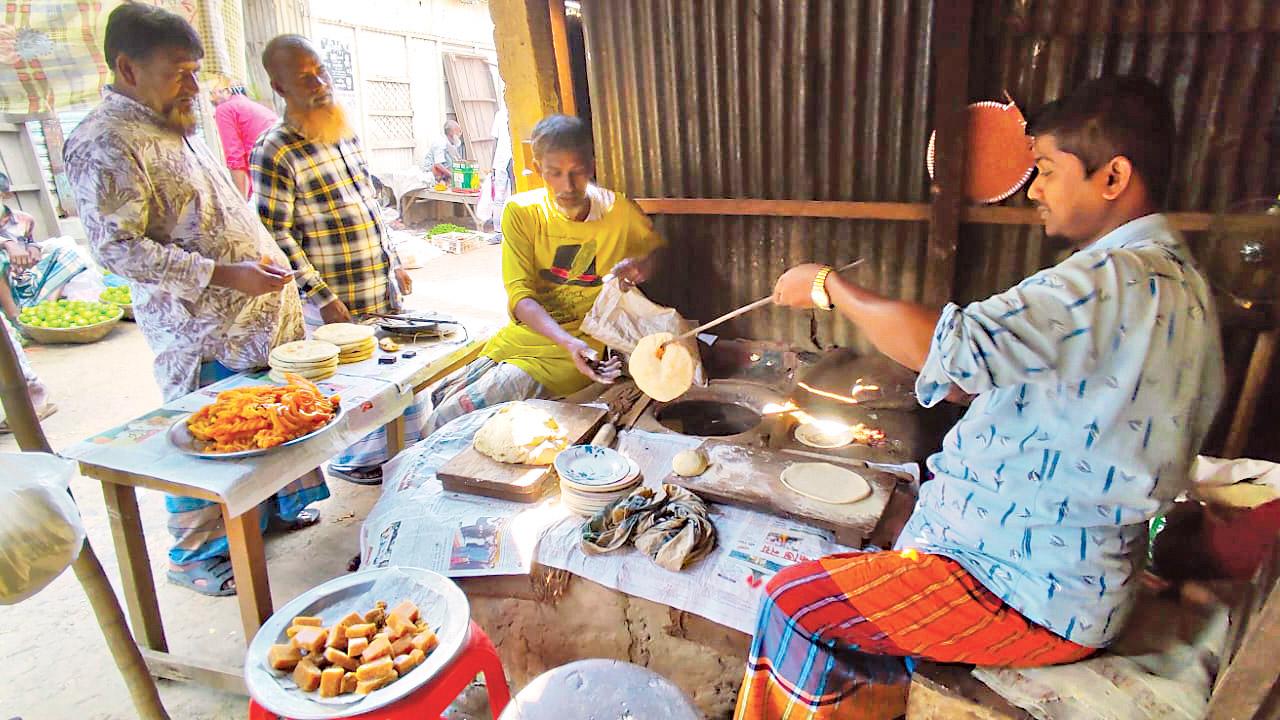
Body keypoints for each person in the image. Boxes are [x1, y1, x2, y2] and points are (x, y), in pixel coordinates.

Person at [736, 76, 1225, 720]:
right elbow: (1008, 381)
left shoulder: (1104, 280)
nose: (1036, 190)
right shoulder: (1180, 286)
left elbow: (954, 349)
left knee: (795, 603)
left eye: (1048, 169)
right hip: (1063, 569)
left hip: (1021, 587)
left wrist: (829, 287)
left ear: (1113, 177)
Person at [64, 4, 327, 597]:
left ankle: (270, 517)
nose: (193, 85)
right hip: (204, 331)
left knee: (273, 425)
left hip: (257, 322)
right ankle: (198, 553)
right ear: (127, 68)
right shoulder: (105, 141)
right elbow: (118, 250)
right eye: (179, 72)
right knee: (213, 437)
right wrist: (224, 274)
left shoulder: (175, 121)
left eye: (195, 70)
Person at [422, 114, 662, 435]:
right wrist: (565, 340)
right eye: (555, 173)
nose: (568, 185)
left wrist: (640, 267)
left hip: (573, 355)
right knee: (439, 397)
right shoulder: (522, 212)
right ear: (537, 169)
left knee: (446, 420)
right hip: (525, 340)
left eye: (577, 172)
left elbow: (651, 253)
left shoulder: (618, 210)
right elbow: (521, 297)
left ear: (592, 165)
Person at [252, 34, 414, 485]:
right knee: (347, 385)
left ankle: (390, 456)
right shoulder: (274, 149)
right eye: (305, 77)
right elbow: (274, 234)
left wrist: (395, 261)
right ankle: (355, 462)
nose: (321, 82)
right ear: (280, 87)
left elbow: (370, 204)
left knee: (389, 373)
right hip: (333, 299)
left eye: (321, 70)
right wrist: (318, 295)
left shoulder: (341, 130)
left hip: (379, 285)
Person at [0, 173, 90, 322]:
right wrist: (8, 244)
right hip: (4, 287)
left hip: (25, 278)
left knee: (69, 252)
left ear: (6, 195)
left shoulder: (24, 219)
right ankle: (15, 317)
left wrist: (34, 248)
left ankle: (48, 306)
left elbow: (30, 241)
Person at [210, 78, 280, 197]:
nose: (211, 99)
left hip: (270, 166)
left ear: (227, 91)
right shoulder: (250, 106)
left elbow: (235, 157)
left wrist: (241, 204)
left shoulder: (224, 109)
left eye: (212, 93)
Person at [425, 119, 465, 184]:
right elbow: (438, 164)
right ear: (453, 132)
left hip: (442, 171)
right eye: (458, 131)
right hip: (432, 171)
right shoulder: (440, 143)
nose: (460, 134)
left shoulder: (451, 142)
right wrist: (452, 176)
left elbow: (457, 157)